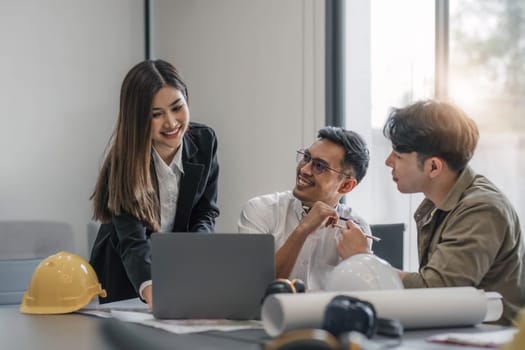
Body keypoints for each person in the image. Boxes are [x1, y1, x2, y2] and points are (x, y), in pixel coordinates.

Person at [342, 99, 524, 325]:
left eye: (398, 156)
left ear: (434, 167)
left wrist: (364, 259)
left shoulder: (482, 209)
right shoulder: (436, 204)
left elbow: (437, 292)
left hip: (492, 339)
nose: (389, 162)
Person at [89, 59, 220, 307]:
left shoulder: (205, 142)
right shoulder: (122, 162)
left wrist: (198, 255)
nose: (171, 122)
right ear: (136, 119)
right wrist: (154, 291)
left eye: (177, 107)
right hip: (124, 278)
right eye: (156, 115)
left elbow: (205, 212)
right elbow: (133, 241)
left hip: (177, 271)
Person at [238, 127, 371, 289]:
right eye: (306, 158)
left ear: (346, 185)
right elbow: (253, 287)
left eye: (320, 166)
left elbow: (358, 296)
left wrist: (359, 258)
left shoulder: (357, 230)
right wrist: (303, 229)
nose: (304, 169)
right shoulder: (260, 210)